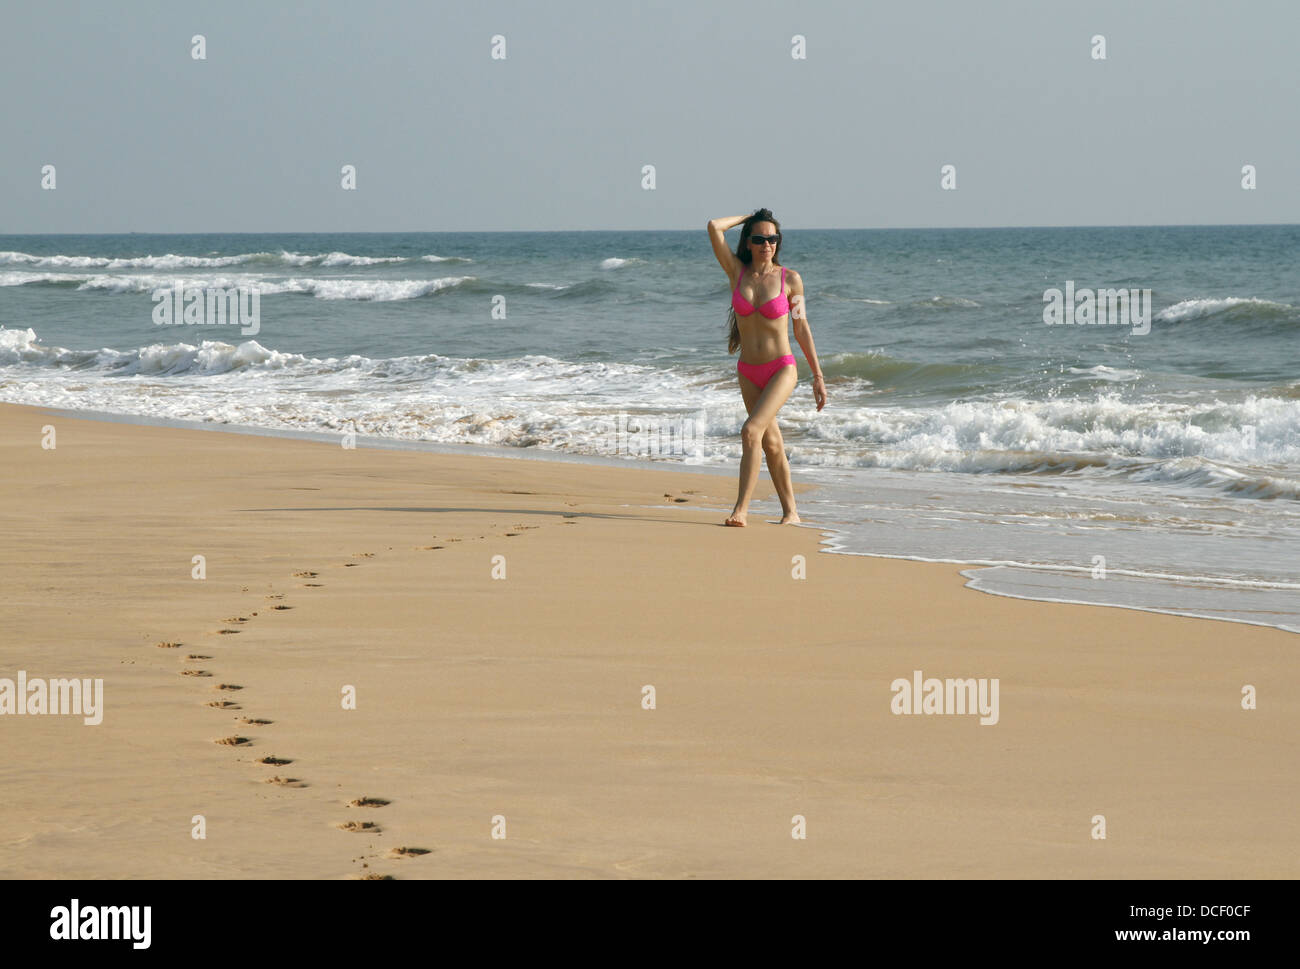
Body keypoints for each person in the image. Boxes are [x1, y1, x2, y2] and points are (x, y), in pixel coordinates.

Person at [706, 208, 826, 526]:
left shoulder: (791, 279)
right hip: (748, 371)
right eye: (759, 238)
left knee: (750, 431)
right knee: (771, 442)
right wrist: (747, 217)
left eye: (772, 238)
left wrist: (818, 375)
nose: (766, 244)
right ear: (748, 242)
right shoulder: (737, 272)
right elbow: (714, 227)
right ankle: (791, 513)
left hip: (781, 369)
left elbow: (801, 328)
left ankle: (740, 510)